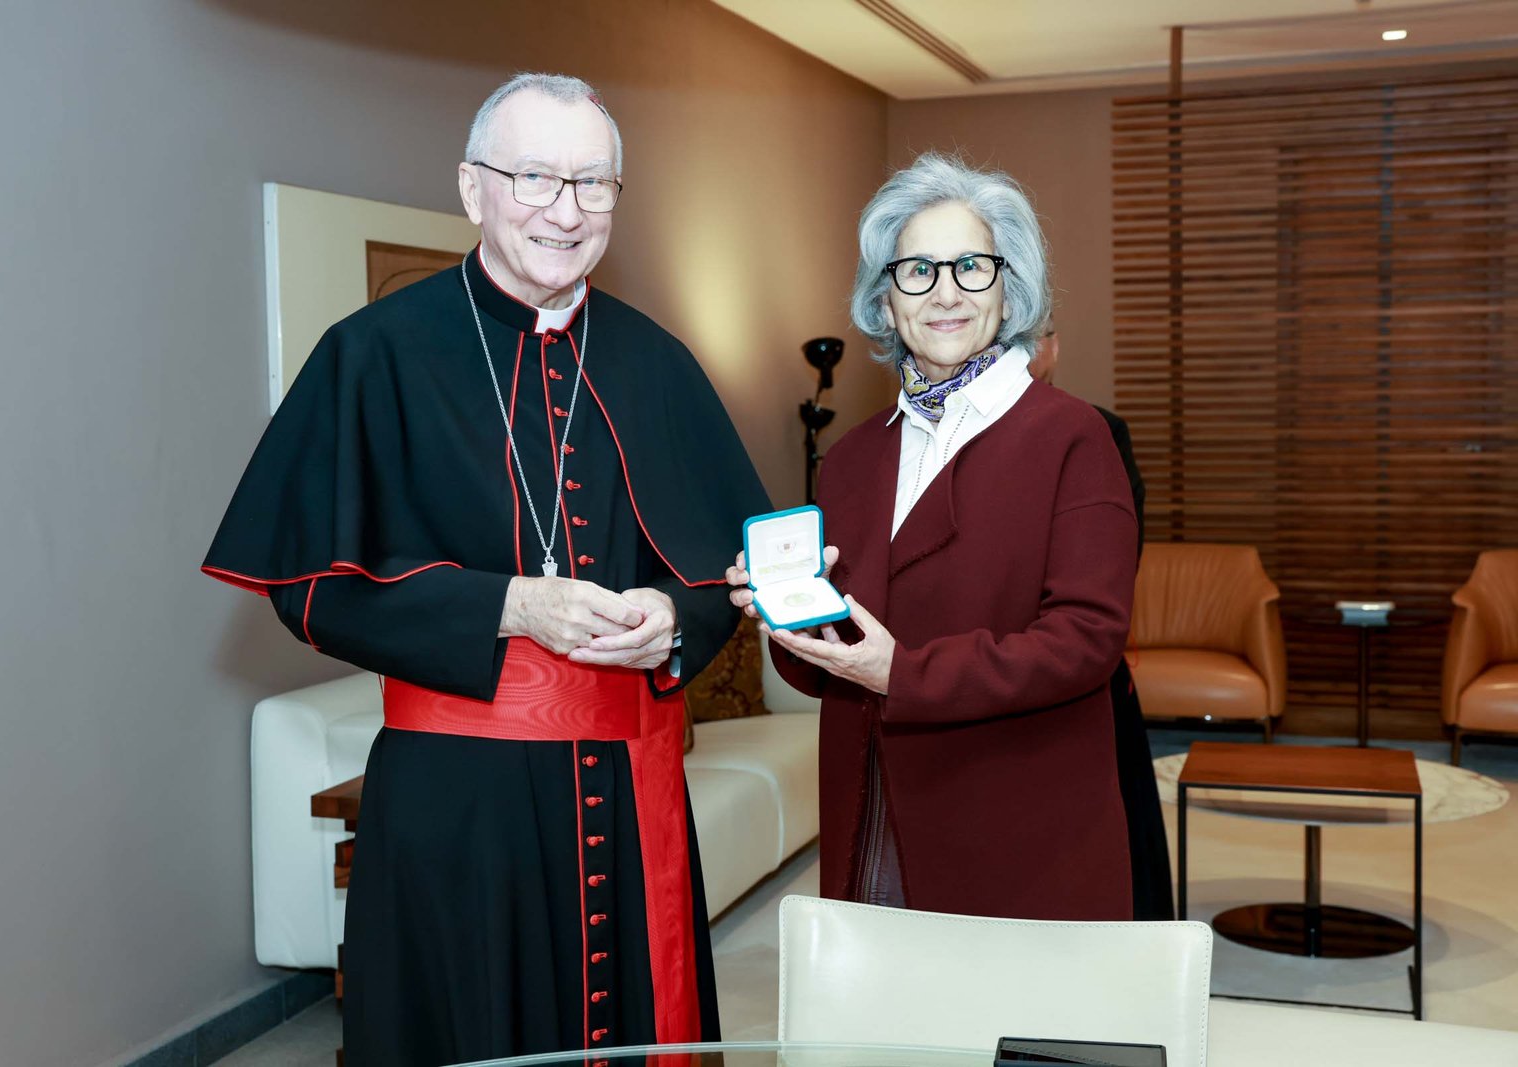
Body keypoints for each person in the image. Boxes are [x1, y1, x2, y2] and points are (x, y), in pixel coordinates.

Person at [203, 73, 768, 1065]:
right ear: (472, 189)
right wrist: (506, 605)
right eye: (535, 177)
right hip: (457, 803)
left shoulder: (657, 361)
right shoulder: (374, 354)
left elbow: (729, 565)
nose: (566, 210)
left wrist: (675, 616)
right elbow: (308, 587)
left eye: (593, 183)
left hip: (631, 793)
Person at [728, 153, 1136, 920]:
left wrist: (905, 673)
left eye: (971, 267)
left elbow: (1087, 639)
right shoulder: (852, 459)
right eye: (917, 271)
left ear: (1009, 289)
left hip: (1016, 814)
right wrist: (786, 611)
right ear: (885, 303)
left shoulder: (1073, 437)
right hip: (870, 810)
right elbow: (834, 659)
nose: (945, 292)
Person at [1030, 328, 1174, 921]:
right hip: (978, 671)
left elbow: (1113, 561)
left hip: (1076, 665)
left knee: (1110, 846)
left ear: (1054, 346)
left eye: (1033, 336)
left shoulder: (1097, 431)